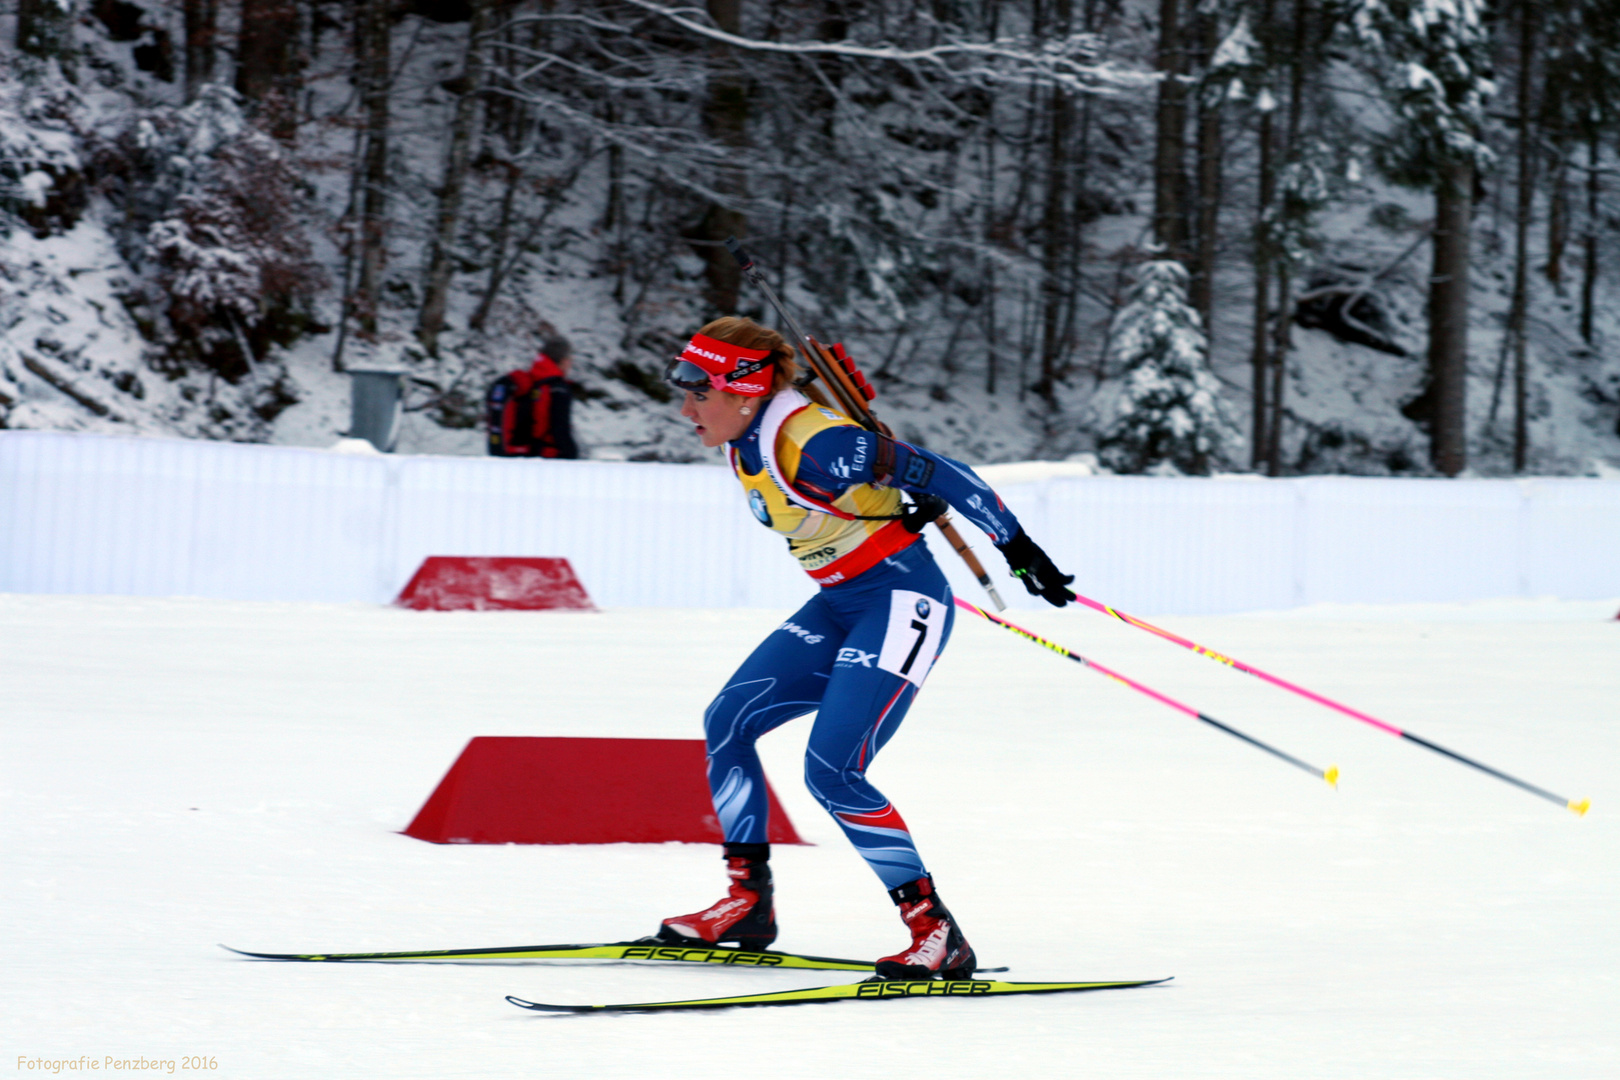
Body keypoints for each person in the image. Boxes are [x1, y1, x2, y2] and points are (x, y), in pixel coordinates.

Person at [654, 316, 1077, 980]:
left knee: (832, 770)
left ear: (745, 391)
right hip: (839, 602)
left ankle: (938, 933)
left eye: (698, 392)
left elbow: (946, 473)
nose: (685, 408)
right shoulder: (743, 438)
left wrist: (1018, 548)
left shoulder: (817, 446)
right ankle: (746, 904)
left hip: (902, 601)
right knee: (726, 721)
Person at [486, 335, 579, 458]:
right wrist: (571, 456)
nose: (571, 363)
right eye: (570, 358)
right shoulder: (557, 387)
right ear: (563, 360)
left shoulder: (528, 382)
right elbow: (560, 429)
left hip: (513, 454)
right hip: (545, 459)